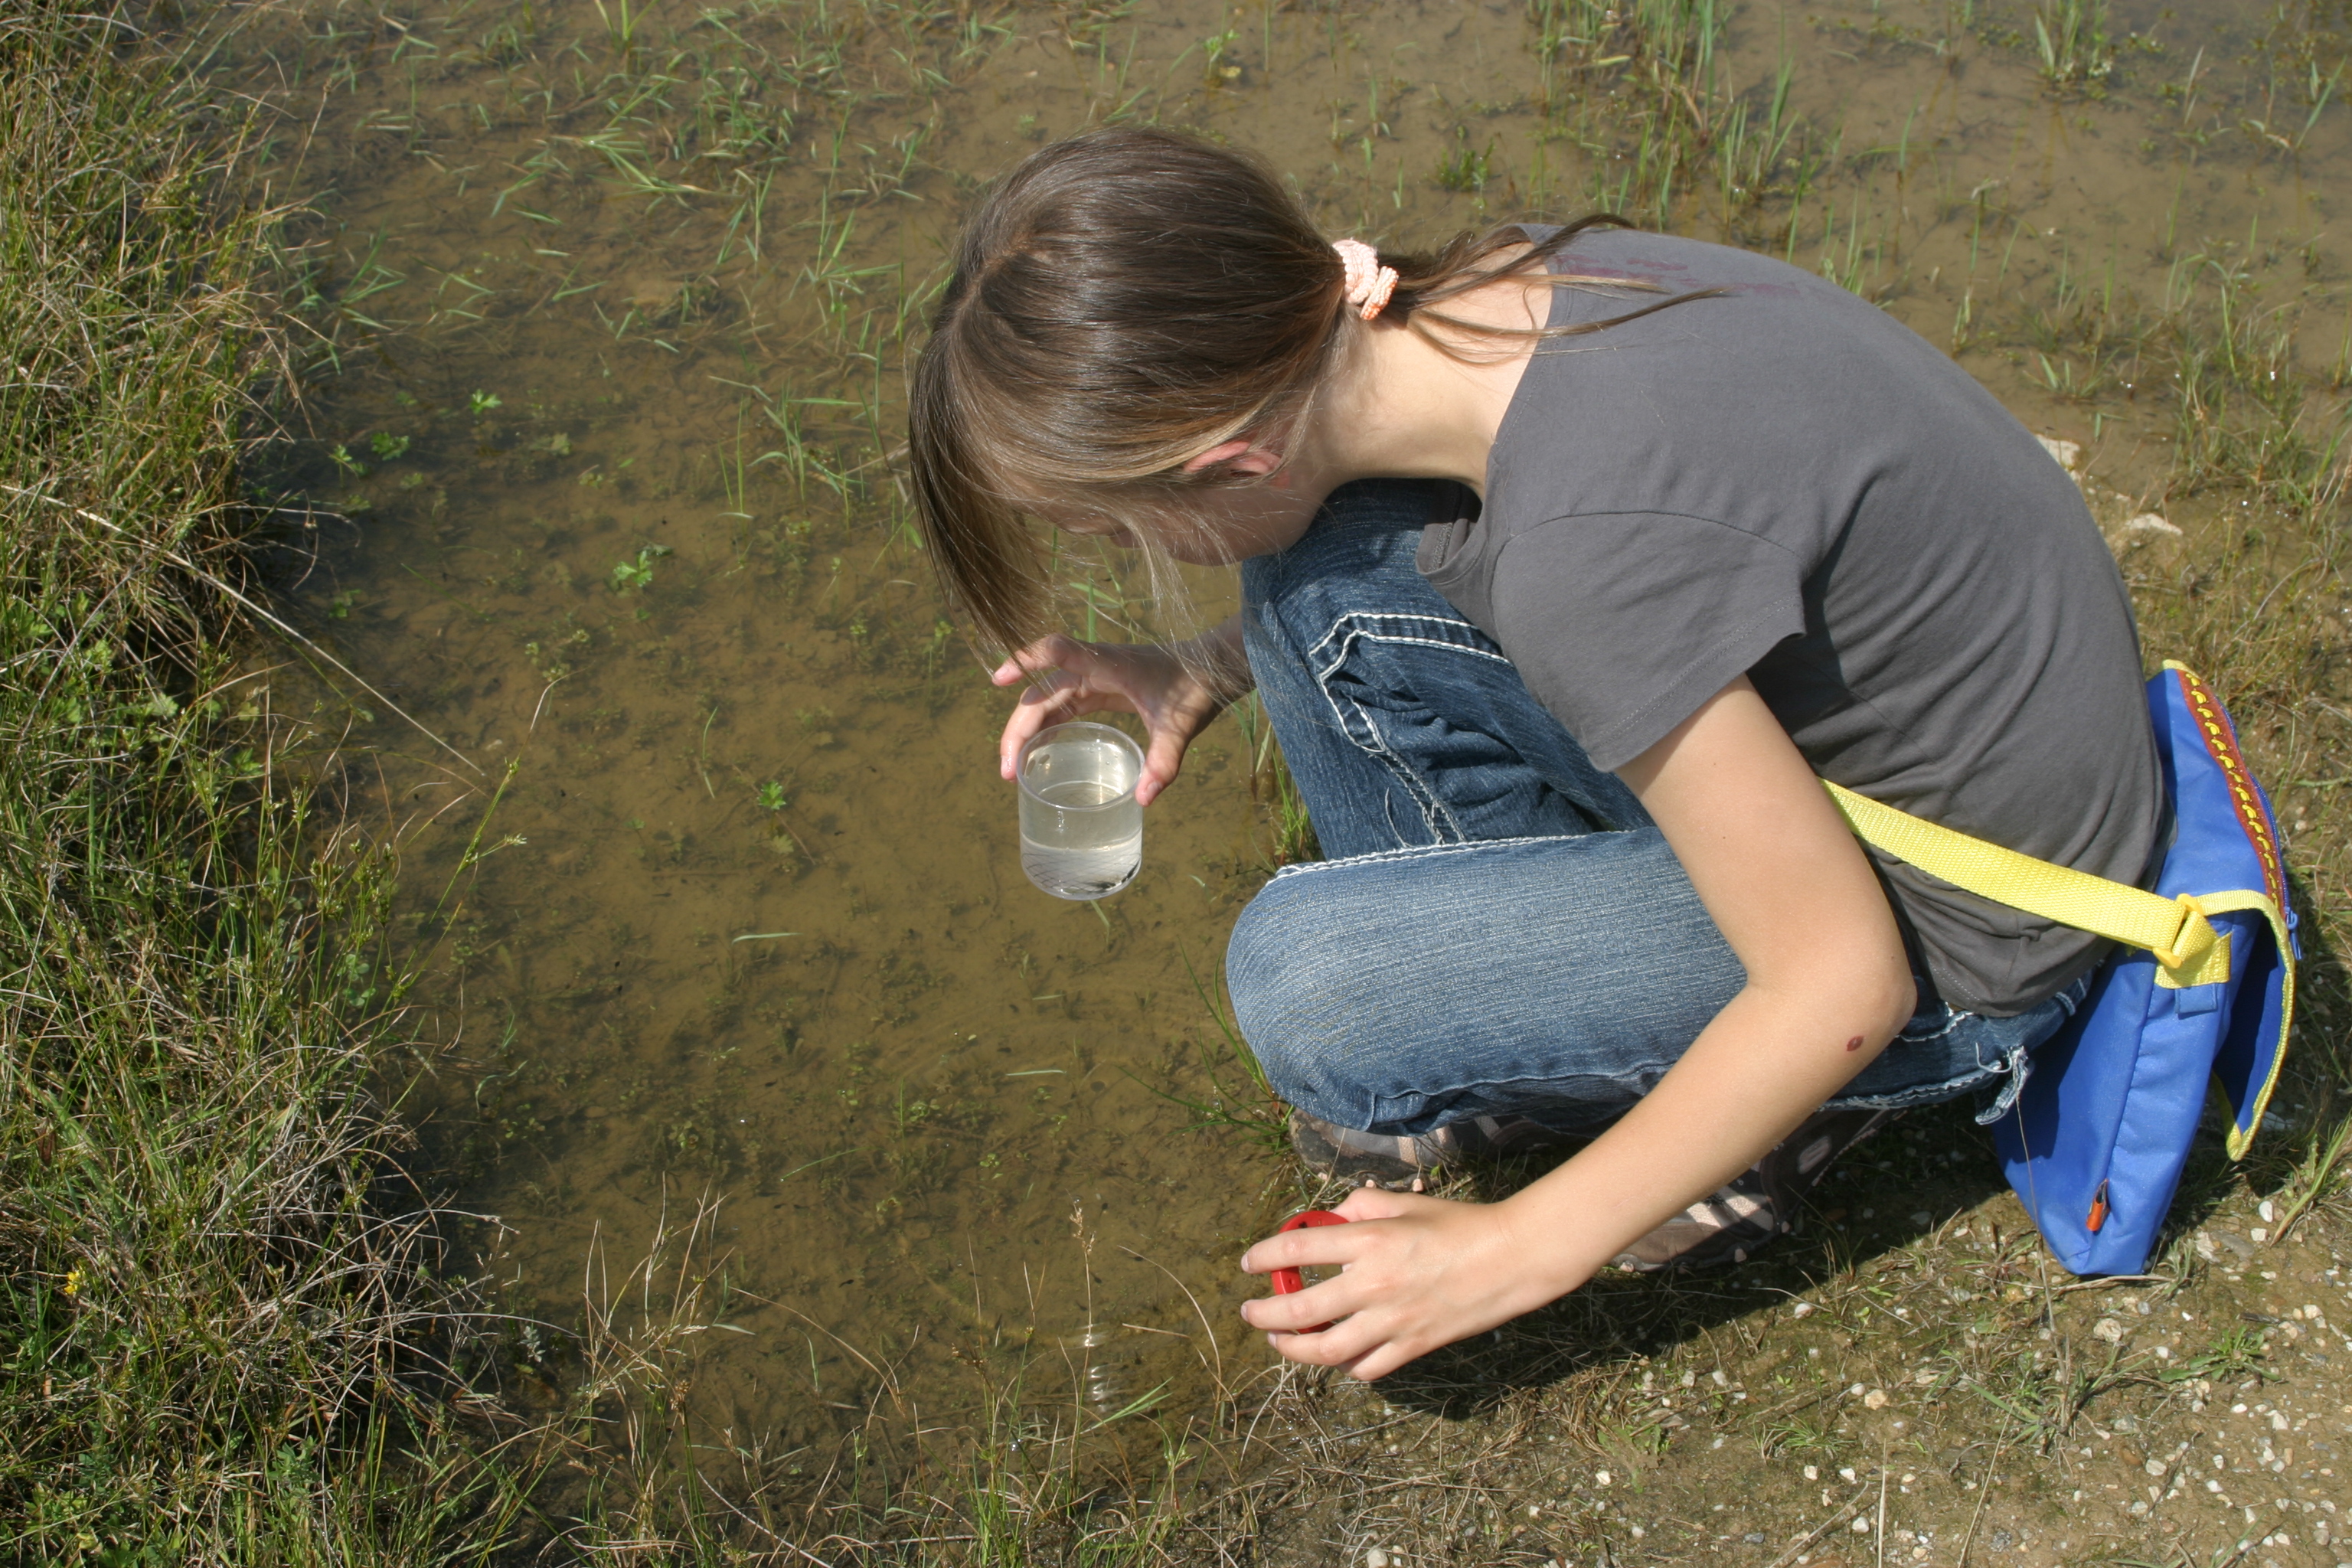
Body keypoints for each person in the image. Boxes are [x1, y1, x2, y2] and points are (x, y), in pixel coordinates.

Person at [908, 127, 2161, 1383]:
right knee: (1310, 574)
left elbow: (1844, 986)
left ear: (1232, 459)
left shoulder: (1584, 551)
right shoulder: (1507, 289)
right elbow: (1628, 555)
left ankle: (1757, 1115)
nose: (1133, 551)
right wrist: (1201, 664)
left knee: (1313, 984)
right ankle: (1560, 1040)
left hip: (1971, 942)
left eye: (1116, 528)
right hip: (1982, 775)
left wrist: (1517, 1246)